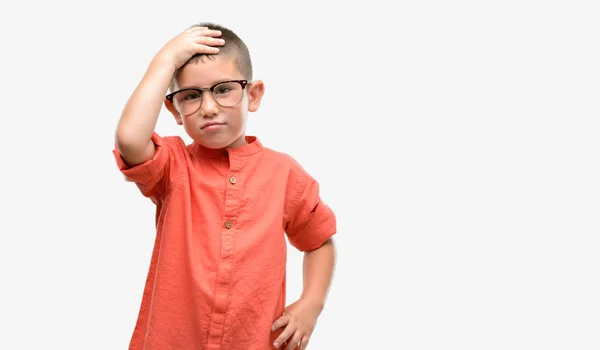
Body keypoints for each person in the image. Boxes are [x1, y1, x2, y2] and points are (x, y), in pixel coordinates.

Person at [112, 22, 337, 350]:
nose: (208, 107)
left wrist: (312, 304)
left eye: (223, 89)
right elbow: (130, 139)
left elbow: (318, 241)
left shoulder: (285, 173)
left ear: (253, 95)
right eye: (191, 96)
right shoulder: (174, 165)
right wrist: (165, 59)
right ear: (174, 110)